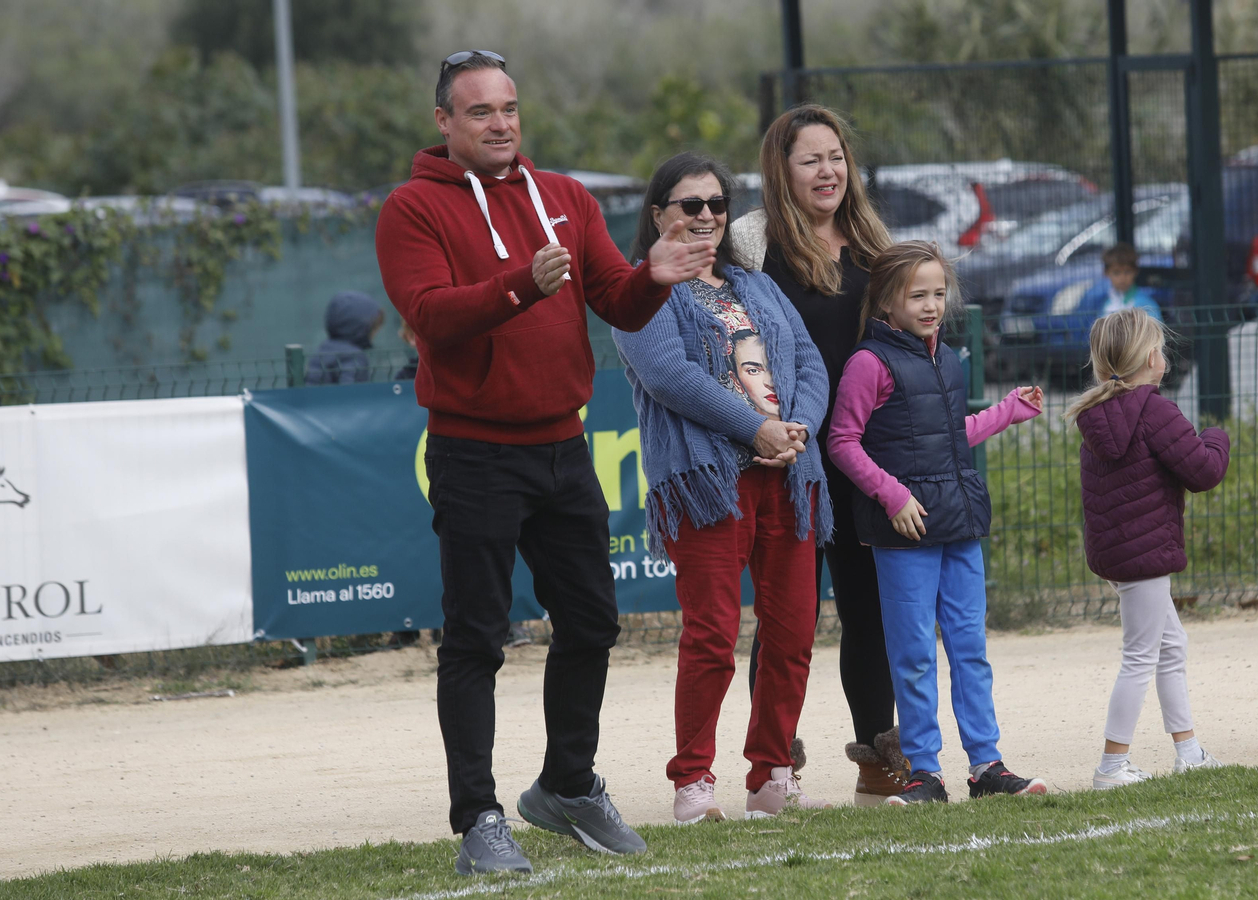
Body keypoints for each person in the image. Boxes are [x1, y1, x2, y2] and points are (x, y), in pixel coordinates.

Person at [374, 50, 714, 875]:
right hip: (474, 452)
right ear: (445, 124)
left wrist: (655, 278)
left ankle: (566, 786)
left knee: (594, 620)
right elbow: (430, 315)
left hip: (562, 446)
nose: (501, 124)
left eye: (510, 109)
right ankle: (479, 819)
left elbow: (614, 299)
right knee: (478, 639)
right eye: (481, 112)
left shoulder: (563, 196)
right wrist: (519, 285)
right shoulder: (411, 209)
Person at [611, 152, 833, 824]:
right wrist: (755, 431)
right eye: (690, 205)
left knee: (793, 631)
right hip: (709, 481)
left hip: (790, 475)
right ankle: (692, 783)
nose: (706, 216)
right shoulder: (640, 290)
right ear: (658, 215)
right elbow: (670, 377)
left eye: (716, 204)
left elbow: (810, 362)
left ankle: (771, 776)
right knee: (712, 634)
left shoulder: (754, 284)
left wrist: (797, 430)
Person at [827, 240, 1048, 805]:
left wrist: (1009, 410)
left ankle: (987, 768)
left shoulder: (945, 357)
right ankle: (925, 773)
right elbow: (842, 443)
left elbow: (951, 437)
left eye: (939, 294)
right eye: (916, 294)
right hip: (903, 534)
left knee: (970, 648)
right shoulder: (867, 364)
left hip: (959, 523)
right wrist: (893, 496)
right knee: (915, 655)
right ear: (885, 302)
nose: (931, 305)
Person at [729, 104, 906, 805]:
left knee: (870, 614)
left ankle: (878, 762)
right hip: (788, 461)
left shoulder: (871, 241)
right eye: (812, 159)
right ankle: (773, 769)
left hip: (862, 461)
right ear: (783, 169)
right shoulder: (750, 245)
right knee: (785, 618)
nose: (828, 170)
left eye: (836, 156)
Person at [1064, 309, 1230, 789]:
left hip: (1117, 552)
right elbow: (1203, 472)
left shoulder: (1097, 415)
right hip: (1145, 553)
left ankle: (1188, 750)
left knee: (1171, 644)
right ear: (1152, 358)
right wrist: (1216, 437)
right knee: (1140, 655)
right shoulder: (1155, 410)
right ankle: (1111, 766)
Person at [305, 291, 385, 385]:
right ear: (362, 327)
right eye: (374, 328)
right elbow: (350, 394)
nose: (374, 334)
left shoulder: (324, 348)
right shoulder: (355, 357)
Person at [1083, 243, 1163, 323]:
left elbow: (1154, 333)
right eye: (1116, 272)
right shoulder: (1106, 304)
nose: (1122, 278)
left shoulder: (1146, 304)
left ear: (1136, 271)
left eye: (1127, 272)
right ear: (1106, 272)